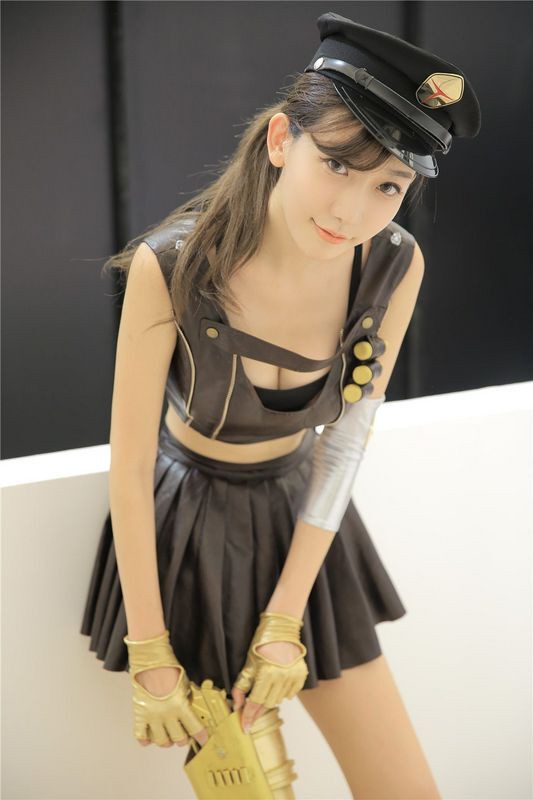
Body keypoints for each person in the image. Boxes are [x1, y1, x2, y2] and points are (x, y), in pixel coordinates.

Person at [80, 11, 481, 798]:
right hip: (188, 539)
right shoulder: (175, 266)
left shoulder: (393, 265)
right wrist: (150, 649)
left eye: (387, 186)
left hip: (306, 529)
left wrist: (284, 618)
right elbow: (128, 465)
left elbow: (345, 442)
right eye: (334, 164)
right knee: (251, 789)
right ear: (278, 141)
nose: (350, 211)